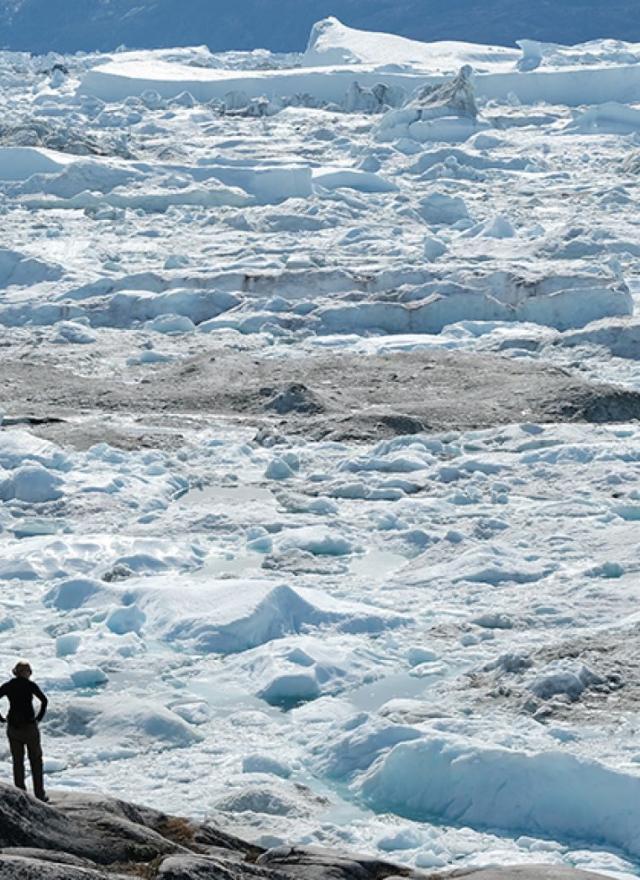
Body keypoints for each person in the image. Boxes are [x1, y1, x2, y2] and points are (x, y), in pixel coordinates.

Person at [0, 661, 48, 802]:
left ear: (16, 672)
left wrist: (0, 718)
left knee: (18, 761)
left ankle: (21, 795)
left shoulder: (9, 685)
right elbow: (44, 701)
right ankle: (39, 794)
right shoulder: (30, 685)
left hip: (13, 727)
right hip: (29, 727)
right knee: (36, 760)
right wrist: (38, 718)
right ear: (28, 672)